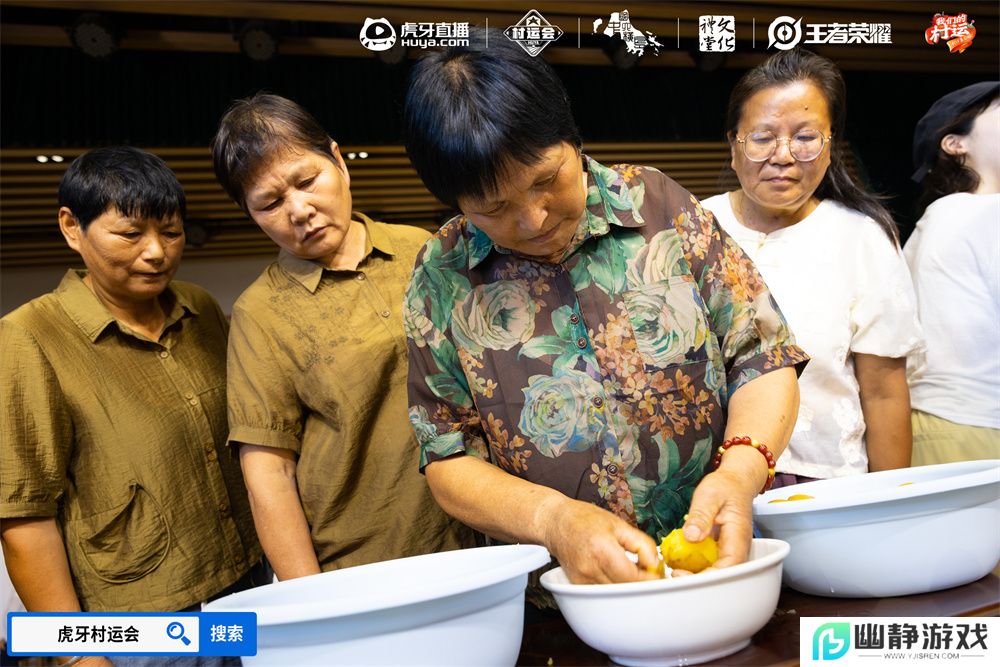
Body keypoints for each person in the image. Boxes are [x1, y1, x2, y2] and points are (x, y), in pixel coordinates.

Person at [402, 31, 807, 588]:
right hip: (565, 597)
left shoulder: (658, 206)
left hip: (725, 560)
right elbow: (447, 456)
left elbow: (763, 355)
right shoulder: (442, 275)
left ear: (573, 137)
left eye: (547, 180)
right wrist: (554, 520)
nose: (534, 219)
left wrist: (740, 472)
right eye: (494, 208)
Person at [0, 147, 262, 666]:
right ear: (72, 227)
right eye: (130, 234)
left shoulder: (199, 308)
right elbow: (23, 515)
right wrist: (76, 656)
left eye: (170, 231)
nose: (156, 252)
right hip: (132, 625)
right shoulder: (29, 336)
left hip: (240, 590)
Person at [210, 93, 474, 581]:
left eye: (308, 181)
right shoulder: (260, 312)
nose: (299, 210)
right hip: (364, 564)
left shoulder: (423, 247)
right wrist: (309, 599)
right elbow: (270, 473)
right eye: (269, 203)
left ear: (338, 159)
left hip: (479, 537)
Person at [701, 50, 924, 488]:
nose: (783, 155)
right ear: (734, 147)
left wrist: (889, 503)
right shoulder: (694, 227)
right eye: (763, 137)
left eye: (805, 137)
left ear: (829, 147)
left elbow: (883, 391)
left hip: (825, 483)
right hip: (704, 483)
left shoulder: (862, 238)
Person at [904, 81, 1000, 466]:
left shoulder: (940, 216)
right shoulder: (983, 213)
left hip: (936, 427)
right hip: (977, 429)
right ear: (955, 143)